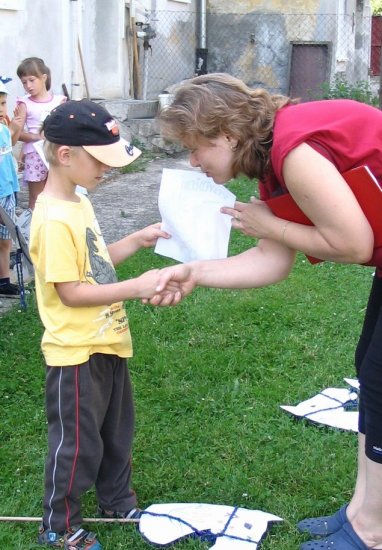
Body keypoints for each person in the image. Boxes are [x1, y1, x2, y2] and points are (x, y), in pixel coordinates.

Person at [150, 73, 382, 550]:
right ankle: (361, 512)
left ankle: (372, 532)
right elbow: (269, 262)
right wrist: (195, 271)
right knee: (372, 374)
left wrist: (272, 225)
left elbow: (353, 244)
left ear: (229, 135)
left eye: (197, 148)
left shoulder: (294, 151)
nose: (193, 162)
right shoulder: (270, 161)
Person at [29, 98, 181, 550]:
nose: (108, 170)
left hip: (107, 342)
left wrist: (136, 239)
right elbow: (71, 293)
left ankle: (116, 501)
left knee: (116, 432)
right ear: (66, 155)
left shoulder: (78, 201)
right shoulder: (53, 219)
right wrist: (136, 288)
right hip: (75, 351)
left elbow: (94, 268)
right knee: (77, 445)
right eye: (101, 160)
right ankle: (58, 526)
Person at [16, 57, 66, 210]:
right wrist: (37, 137)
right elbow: (16, 132)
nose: (28, 86)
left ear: (44, 77)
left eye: (32, 80)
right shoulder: (24, 103)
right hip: (34, 155)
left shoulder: (59, 101)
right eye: (24, 82)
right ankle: (34, 231)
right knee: (36, 198)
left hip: (56, 154)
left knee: (57, 195)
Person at [0, 80, 22, 296]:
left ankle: (4, 280)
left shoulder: (3, 129)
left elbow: (9, 146)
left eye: (3, 103)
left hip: (7, 190)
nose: (1, 109)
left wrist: (14, 128)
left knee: (5, 239)